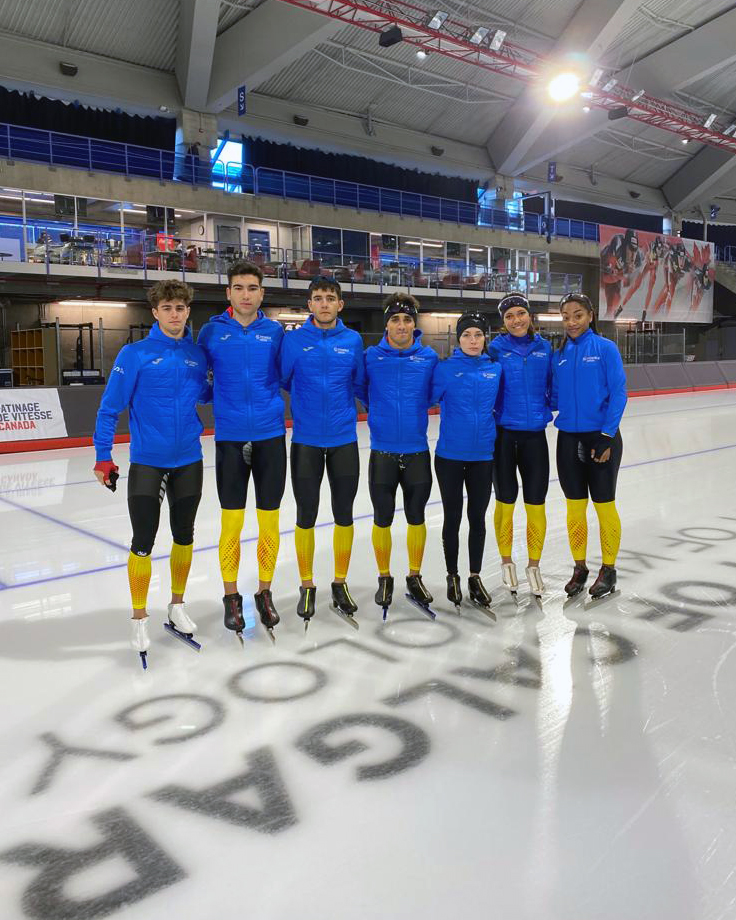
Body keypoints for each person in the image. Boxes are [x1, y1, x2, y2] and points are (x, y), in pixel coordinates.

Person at [92, 280, 210, 667]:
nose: (175, 314)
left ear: (187, 311)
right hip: (148, 462)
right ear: (155, 313)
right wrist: (103, 456)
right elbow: (110, 408)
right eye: (168, 308)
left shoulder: (197, 355)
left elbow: (207, 395)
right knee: (143, 540)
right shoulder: (135, 354)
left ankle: (176, 605)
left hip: (189, 460)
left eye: (181, 307)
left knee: (184, 537)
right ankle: (139, 616)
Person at [197, 261, 286, 641]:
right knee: (231, 523)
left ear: (262, 293)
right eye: (239, 287)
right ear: (228, 292)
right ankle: (231, 596)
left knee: (269, 523)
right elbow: (197, 380)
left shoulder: (276, 332)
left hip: (269, 436)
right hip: (230, 437)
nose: (246, 294)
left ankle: (264, 592)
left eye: (252, 287)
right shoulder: (211, 332)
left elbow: (289, 375)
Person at [279, 276, 365, 626]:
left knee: (344, 514)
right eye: (318, 298)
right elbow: (285, 380)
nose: (325, 303)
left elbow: (358, 383)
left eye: (331, 298)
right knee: (306, 515)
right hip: (306, 442)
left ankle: (340, 582)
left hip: (344, 439)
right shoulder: (294, 342)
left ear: (340, 304)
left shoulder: (353, 340)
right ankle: (307, 584)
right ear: (309, 305)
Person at [364, 293, 438, 613]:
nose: (402, 325)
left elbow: (435, 393)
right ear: (387, 323)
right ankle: (384, 577)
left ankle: (414, 575)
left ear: (414, 324)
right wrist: (379, 412)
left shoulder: (429, 357)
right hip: (382, 451)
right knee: (382, 519)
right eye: (395, 319)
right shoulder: (370, 357)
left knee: (416, 517)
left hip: (417, 450)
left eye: (407, 319)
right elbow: (359, 388)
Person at [552, 292, 627, 599]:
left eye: (578, 315)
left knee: (604, 504)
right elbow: (553, 394)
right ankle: (580, 567)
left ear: (590, 315)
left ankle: (608, 569)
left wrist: (607, 435)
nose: (571, 322)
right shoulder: (560, 352)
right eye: (566, 316)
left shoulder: (605, 349)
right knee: (574, 507)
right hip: (568, 438)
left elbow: (619, 393)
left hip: (601, 438)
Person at [431, 312, 500, 610]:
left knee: (477, 519)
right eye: (467, 335)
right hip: (449, 455)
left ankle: (474, 576)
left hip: (483, 456)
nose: (473, 341)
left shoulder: (495, 370)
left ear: (485, 339)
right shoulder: (445, 370)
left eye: (478, 335)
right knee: (453, 518)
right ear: (458, 340)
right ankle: (452, 575)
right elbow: (424, 399)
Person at [488, 292, 552, 597]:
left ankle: (534, 565)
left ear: (530, 316)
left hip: (535, 436)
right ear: (503, 322)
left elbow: (554, 385)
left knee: (536, 503)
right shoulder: (495, 349)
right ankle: (506, 561)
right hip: (504, 435)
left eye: (520, 314)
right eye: (509, 316)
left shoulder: (545, 348)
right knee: (506, 502)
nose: (516, 320)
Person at [600, 229, 641, 317]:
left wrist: (629, 275)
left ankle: (610, 315)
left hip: (617, 275)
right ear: (625, 246)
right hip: (605, 268)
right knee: (609, 279)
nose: (633, 254)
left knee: (616, 297)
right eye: (630, 249)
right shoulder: (617, 245)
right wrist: (623, 275)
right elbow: (608, 275)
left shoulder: (638, 259)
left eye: (635, 250)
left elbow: (631, 283)